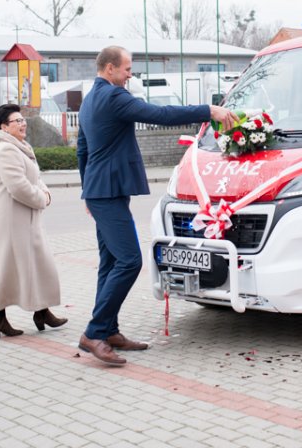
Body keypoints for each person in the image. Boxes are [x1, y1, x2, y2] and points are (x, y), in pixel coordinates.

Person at [76, 46, 236, 365]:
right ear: (109, 69)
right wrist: (209, 110)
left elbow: (82, 149)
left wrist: (86, 190)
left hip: (102, 190)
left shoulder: (90, 100)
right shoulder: (112, 96)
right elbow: (160, 115)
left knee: (110, 262)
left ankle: (107, 329)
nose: (129, 74)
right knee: (130, 261)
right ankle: (94, 332)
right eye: (126, 69)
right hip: (105, 193)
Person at [0, 104, 67, 338]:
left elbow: (34, 177)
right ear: (3, 126)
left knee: (35, 264)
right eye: (16, 121)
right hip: (11, 220)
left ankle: (42, 311)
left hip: (24, 218)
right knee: (8, 267)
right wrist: (42, 198)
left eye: (22, 119)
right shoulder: (5, 150)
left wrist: (45, 193)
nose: (22, 123)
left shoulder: (19, 147)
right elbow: (18, 186)